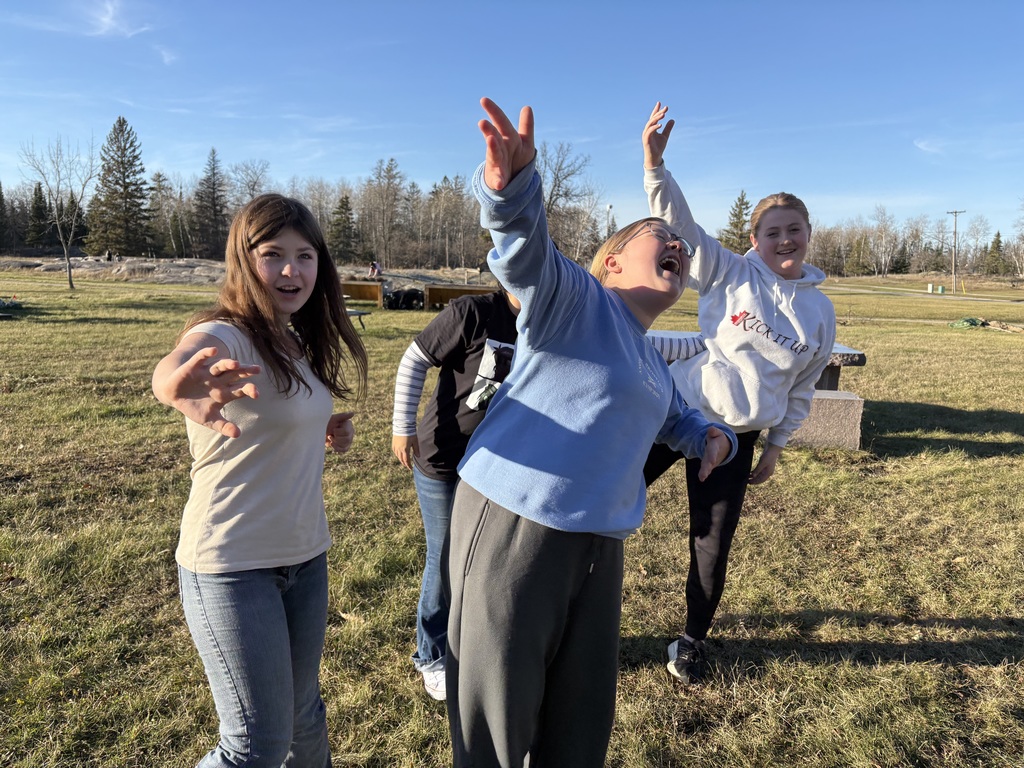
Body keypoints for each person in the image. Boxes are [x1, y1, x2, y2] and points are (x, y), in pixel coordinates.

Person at [445, 98, 738, 768]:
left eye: (684, 247)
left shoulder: (647, 356)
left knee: (579, 721)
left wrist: (706, 436)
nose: (678, 246)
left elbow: (669, 416)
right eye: (659, 237)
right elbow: (525, 253)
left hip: (601, 544)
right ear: (611, 262)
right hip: (520, 521)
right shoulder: (575, 300)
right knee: (496, 714)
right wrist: (514, 189)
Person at [152, 193, 368, 767]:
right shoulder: (224, 332)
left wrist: (322, 428)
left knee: (303, 718)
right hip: (231, 563)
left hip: (305, 558)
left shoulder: (293, 337)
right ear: (243, 261)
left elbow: (277, 415)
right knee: (254, 746)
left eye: (305, 255)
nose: (292, 270)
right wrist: (174, 382)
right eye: (273, 254)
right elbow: (181, 362)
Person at [640, 102, 837, 685]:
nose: (784, 240)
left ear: (807, 235)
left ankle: (691, 639)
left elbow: (802, 386)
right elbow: (682, 227)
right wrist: (655, 166)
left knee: (712, 542)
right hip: (674, 413)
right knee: (605, 504)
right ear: (754, 239)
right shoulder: (730, 272)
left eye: (793, 230)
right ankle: (574, 612)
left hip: (733, 437)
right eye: (772, 232)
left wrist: (776, 444)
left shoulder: (820, 313)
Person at [390, 285, 520, 700]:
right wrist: (401, 426)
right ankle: (430, 655)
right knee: (445, 555)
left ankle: (475, 639)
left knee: (487, 555)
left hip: (496, 462)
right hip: (443, 457)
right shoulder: (475, 312)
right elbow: (415, 360)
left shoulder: (547, 321)